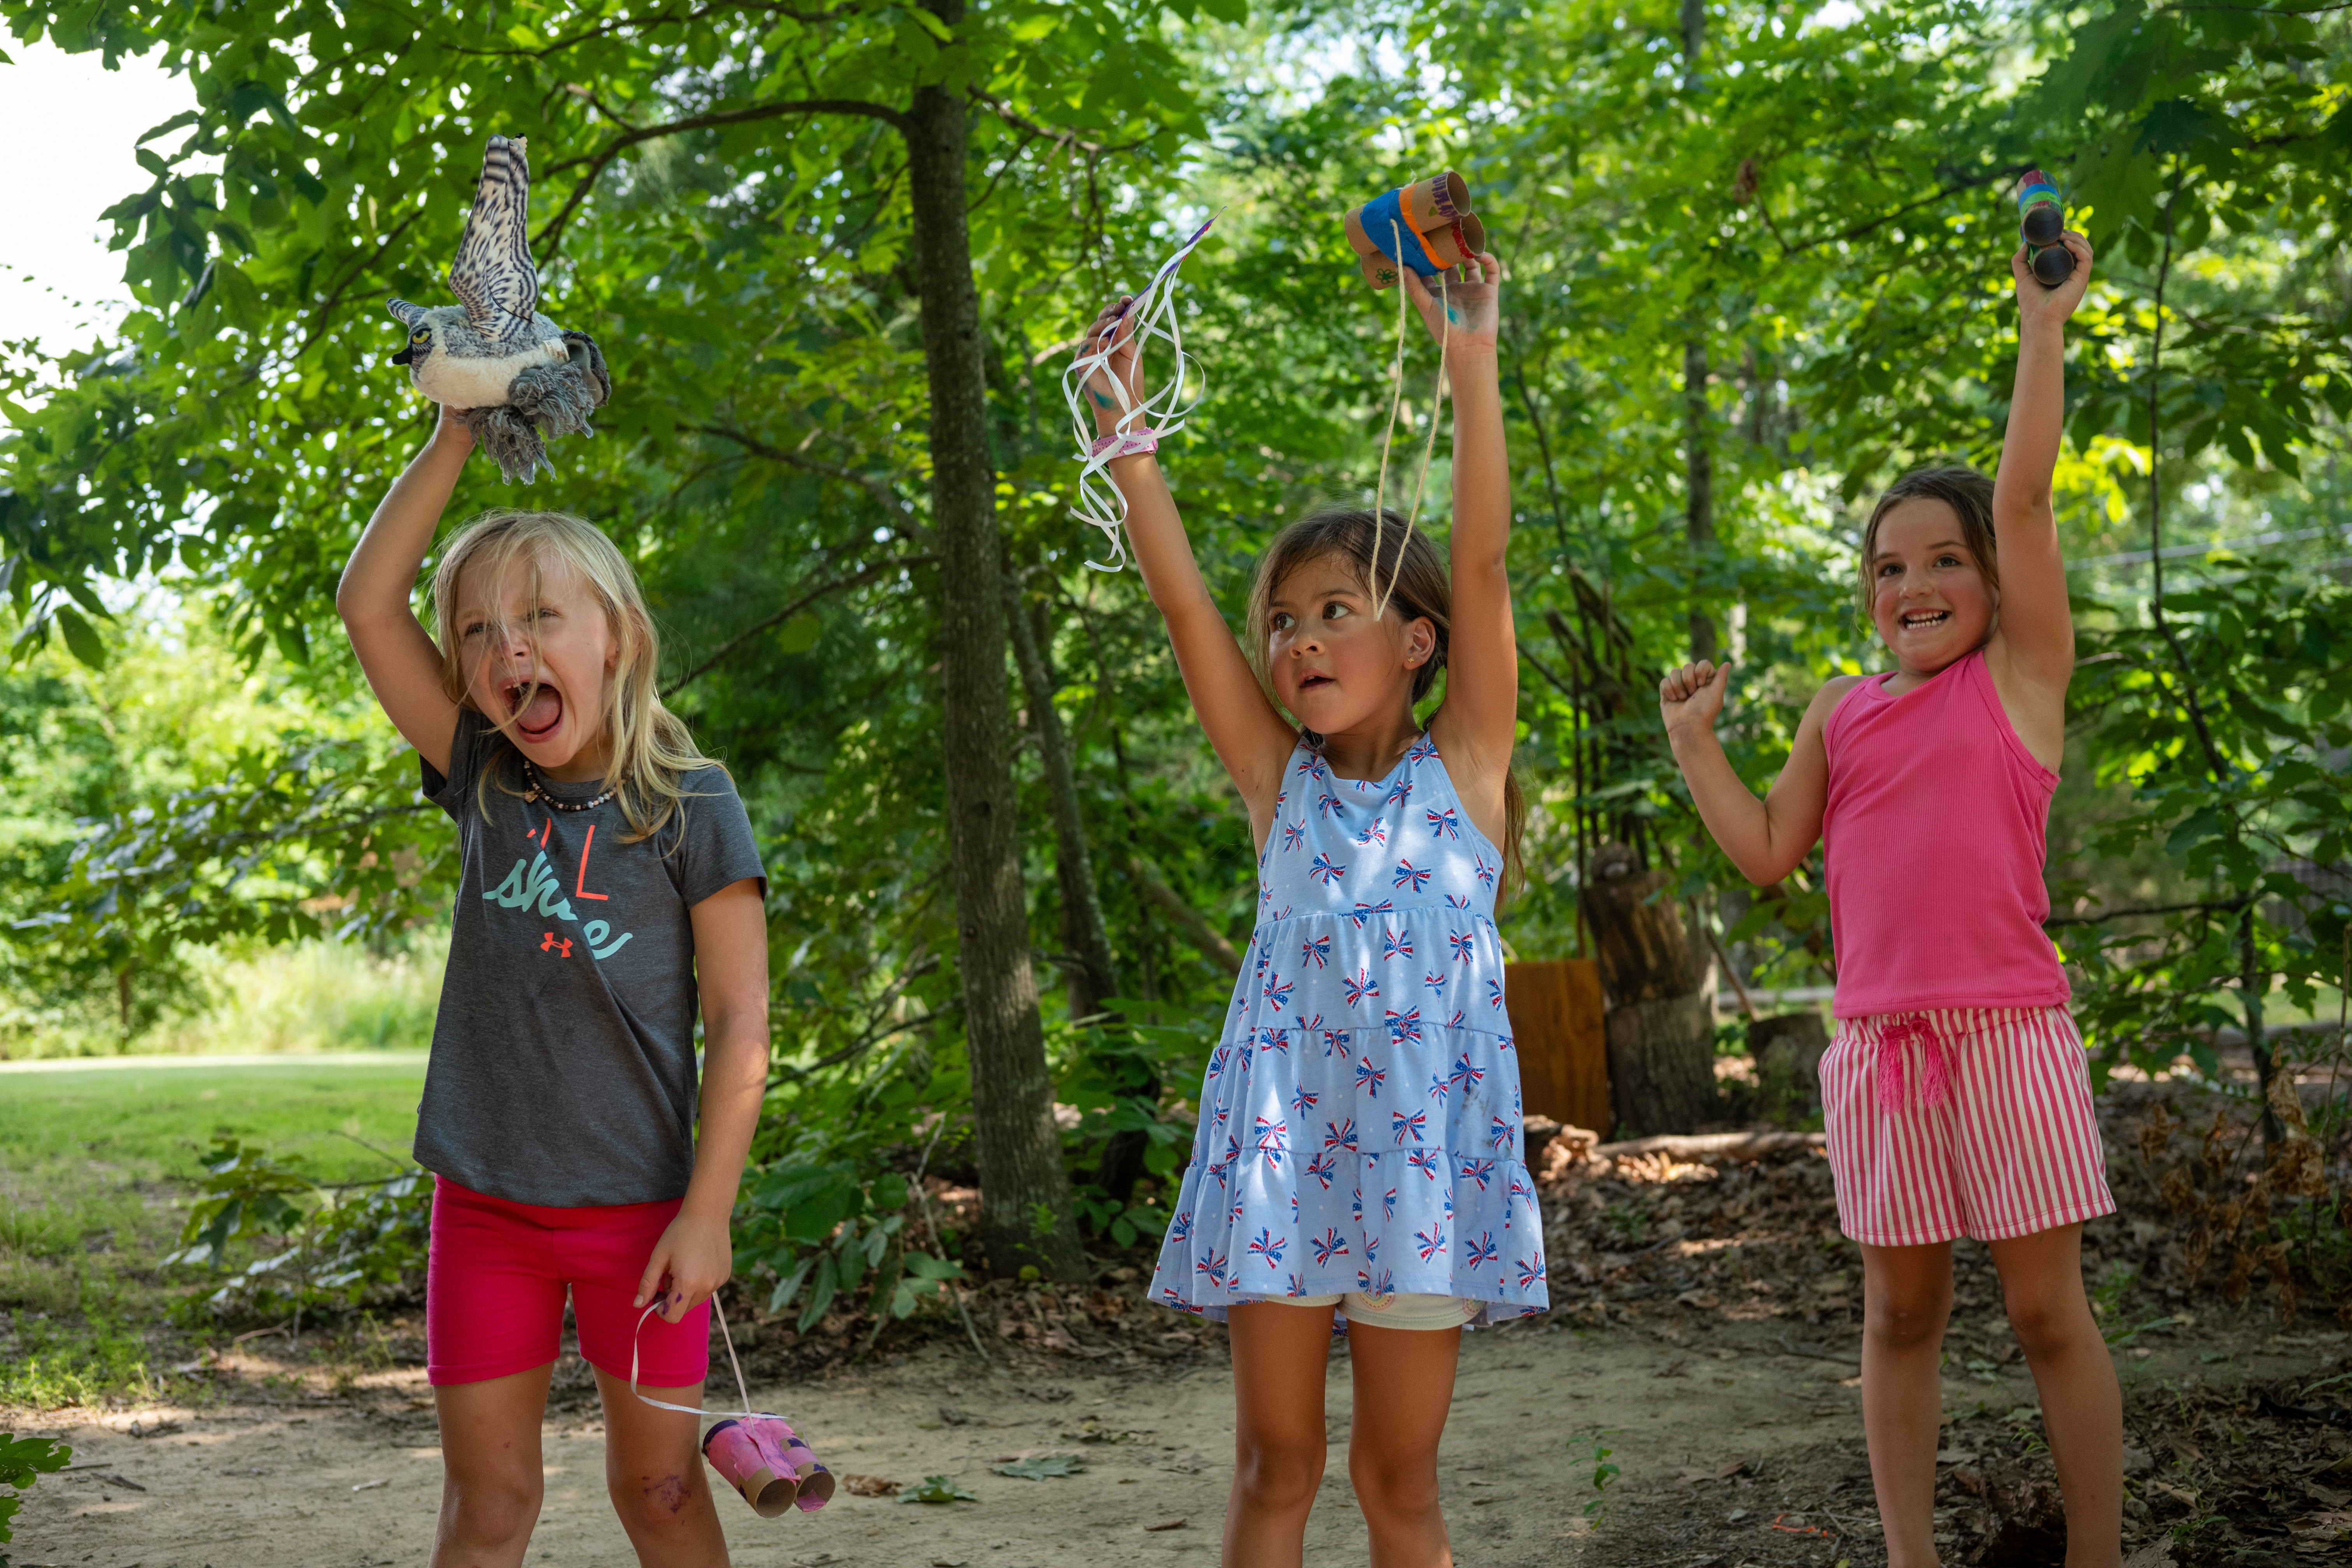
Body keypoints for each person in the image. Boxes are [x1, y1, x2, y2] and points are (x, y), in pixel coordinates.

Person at [1658, 224, 2118, 1568]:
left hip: (2010, 1038)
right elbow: (1764, 852)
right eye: (1888, 567)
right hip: (1879, 1054)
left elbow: (2026, 501)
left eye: (1943, 562)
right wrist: (1697, 745)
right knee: (1899, 1317)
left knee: (2045, 1314)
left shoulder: (2020, 684)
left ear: (1991, 581)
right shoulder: (1842, 713)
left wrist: (2044, 329)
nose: (1913, 585)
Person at [1082, 251, 1545, 1568]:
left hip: (1423, 1172)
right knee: (1275, 1464)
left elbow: (1487, 562)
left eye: (1334, 612)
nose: (1295, 643)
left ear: (1417, 640)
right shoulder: (1274, 781)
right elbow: (1182, 609)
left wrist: (1472, 355)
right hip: (1281, 1159)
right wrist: (1131, 441)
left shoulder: (1465, 773)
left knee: (1397, 1479)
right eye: (1282, 622)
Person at [337, 407, 770, 1568]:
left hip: (642, 1214)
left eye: (540, 617)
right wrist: (452, 436)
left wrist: (709, 1210)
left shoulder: (694, 801)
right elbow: (368, 606)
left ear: (618, 638)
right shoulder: (477, 772)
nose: (507, 648)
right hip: (488, 1212)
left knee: (663, 1493)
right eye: (478, 630)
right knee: (491, 1508)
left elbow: (740, 1025)